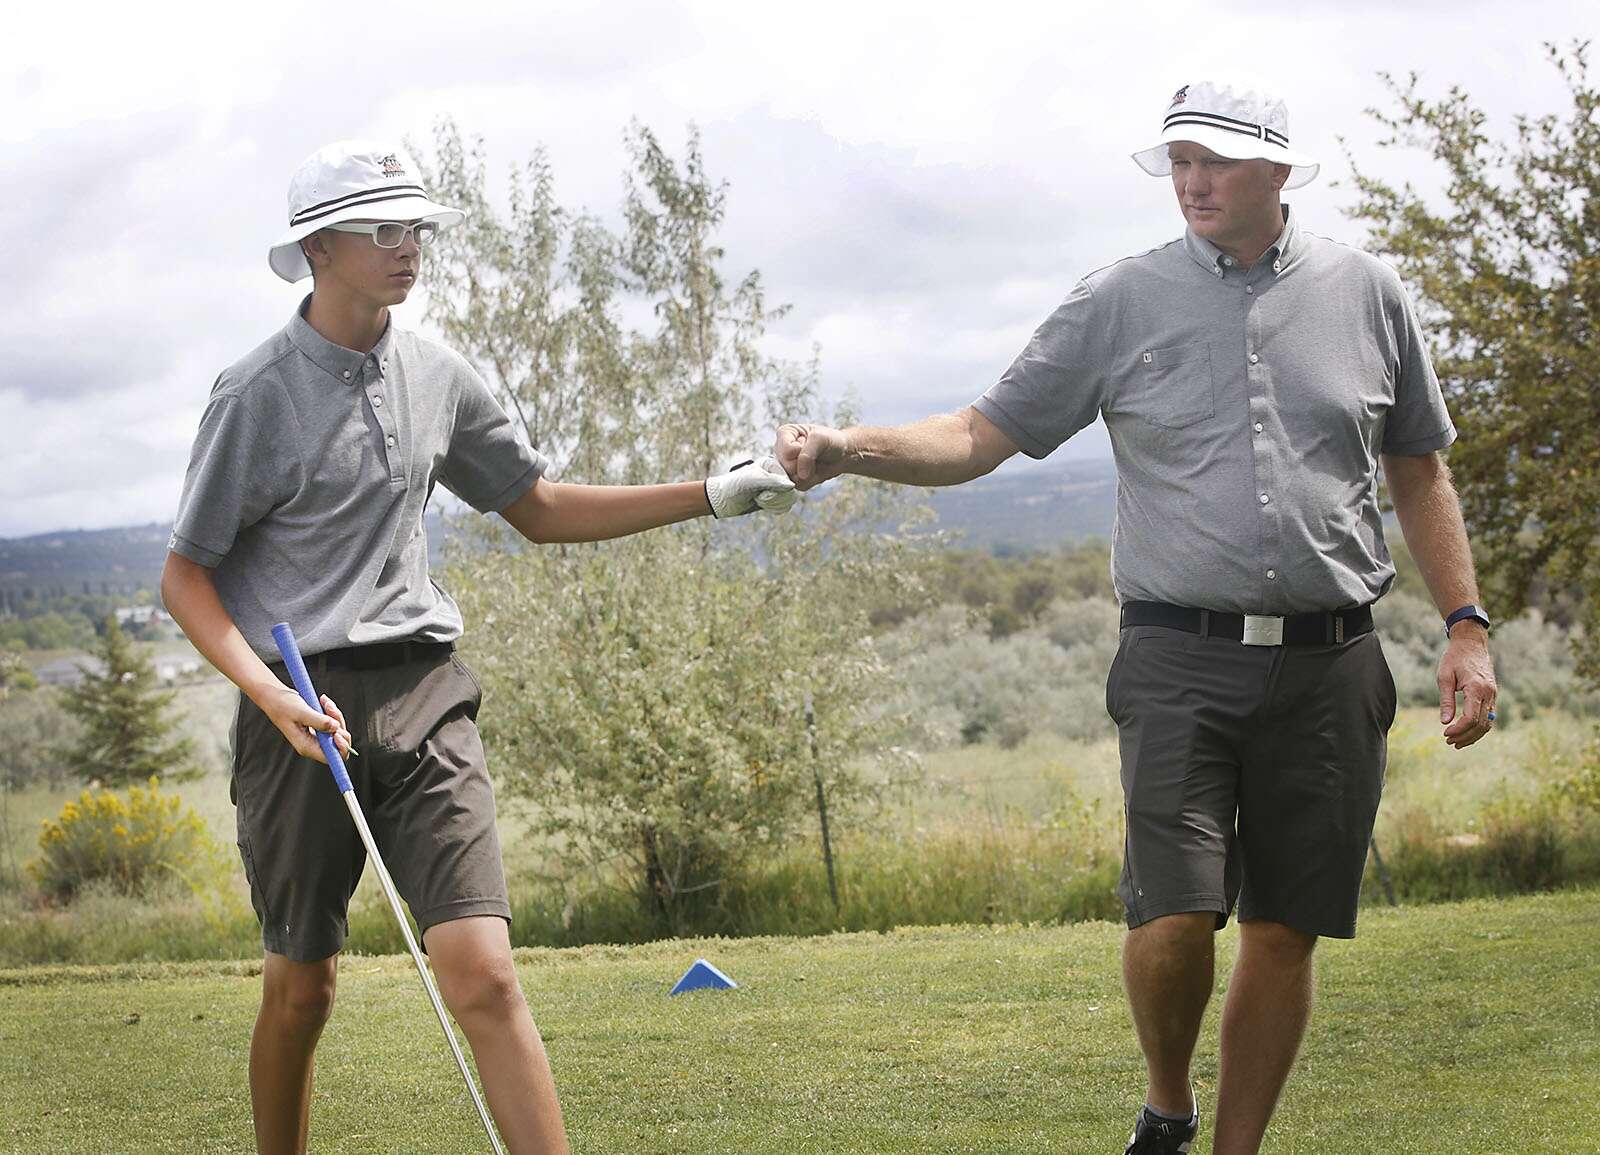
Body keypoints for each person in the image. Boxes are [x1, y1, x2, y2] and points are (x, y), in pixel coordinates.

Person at [772, 80, 1497, 1155]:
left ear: (1279, 170)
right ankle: (1168, 1099)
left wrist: (1466, 625)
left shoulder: (1368, 293)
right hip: (1176, 654)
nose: (1192, 181)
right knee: (1171, 914)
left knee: (1285, 927)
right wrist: (847, 449)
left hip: (1333, 659)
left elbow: (1418, 469)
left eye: (1215, 160)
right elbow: (980, 435)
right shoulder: (1116, 299)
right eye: (1178, 161)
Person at [161, 140, 795, 1155]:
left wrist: (709, 496)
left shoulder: (438, 374)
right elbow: (185, 576)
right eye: (383, 229)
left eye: (415, 226)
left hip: (424, 690)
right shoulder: (254, 394)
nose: (409, 246)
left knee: (485, 973)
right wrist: (265, 692)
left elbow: (537, 507)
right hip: (298, 708)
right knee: (302, 986)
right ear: (318, 248)